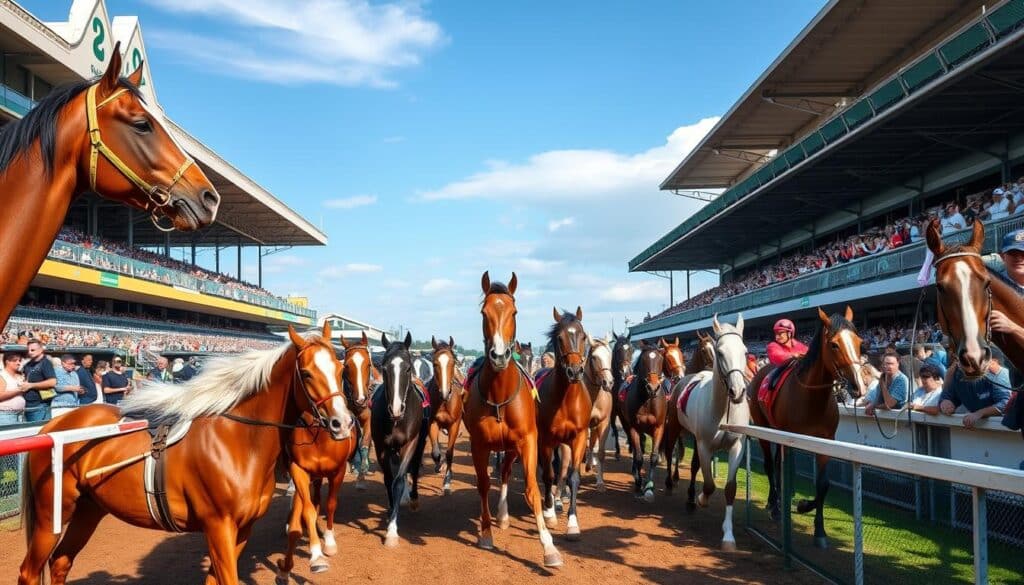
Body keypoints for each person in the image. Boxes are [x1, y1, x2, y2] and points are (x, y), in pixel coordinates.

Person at [940, 363, 1011, 428]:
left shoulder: (996, 374)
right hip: (979, 430)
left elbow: (1005, 403)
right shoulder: (959, 374)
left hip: (1004, 429)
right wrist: (946, 402)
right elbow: (948, 395)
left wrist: (980, 413)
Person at [20, 340, 56, 422]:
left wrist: (31, 385)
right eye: (28, 350)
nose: (30, 352)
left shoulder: (45, 363)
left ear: (41, 350)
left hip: (40, 404)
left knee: (38, 431)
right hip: (29, 403)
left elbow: (52, 382)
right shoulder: (28, 364)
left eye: (33, 350)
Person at [51, 354, 83, 418]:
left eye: (74, 363)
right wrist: (72, 388)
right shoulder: (56, 371)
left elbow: (77, 388)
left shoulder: (75, 374)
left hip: (74, 405)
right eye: (70, 363)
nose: (73, 365)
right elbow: (56, 387)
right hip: (60, 406)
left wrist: (80, 391)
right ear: (63, 363)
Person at [0, 352, 26, 425]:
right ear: (7, 362)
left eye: (19, 360)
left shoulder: (19, 376)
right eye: (15, 360)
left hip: (20, 415)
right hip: (6, 416)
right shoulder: (2, 376)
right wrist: (19, 390)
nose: (18, 363)